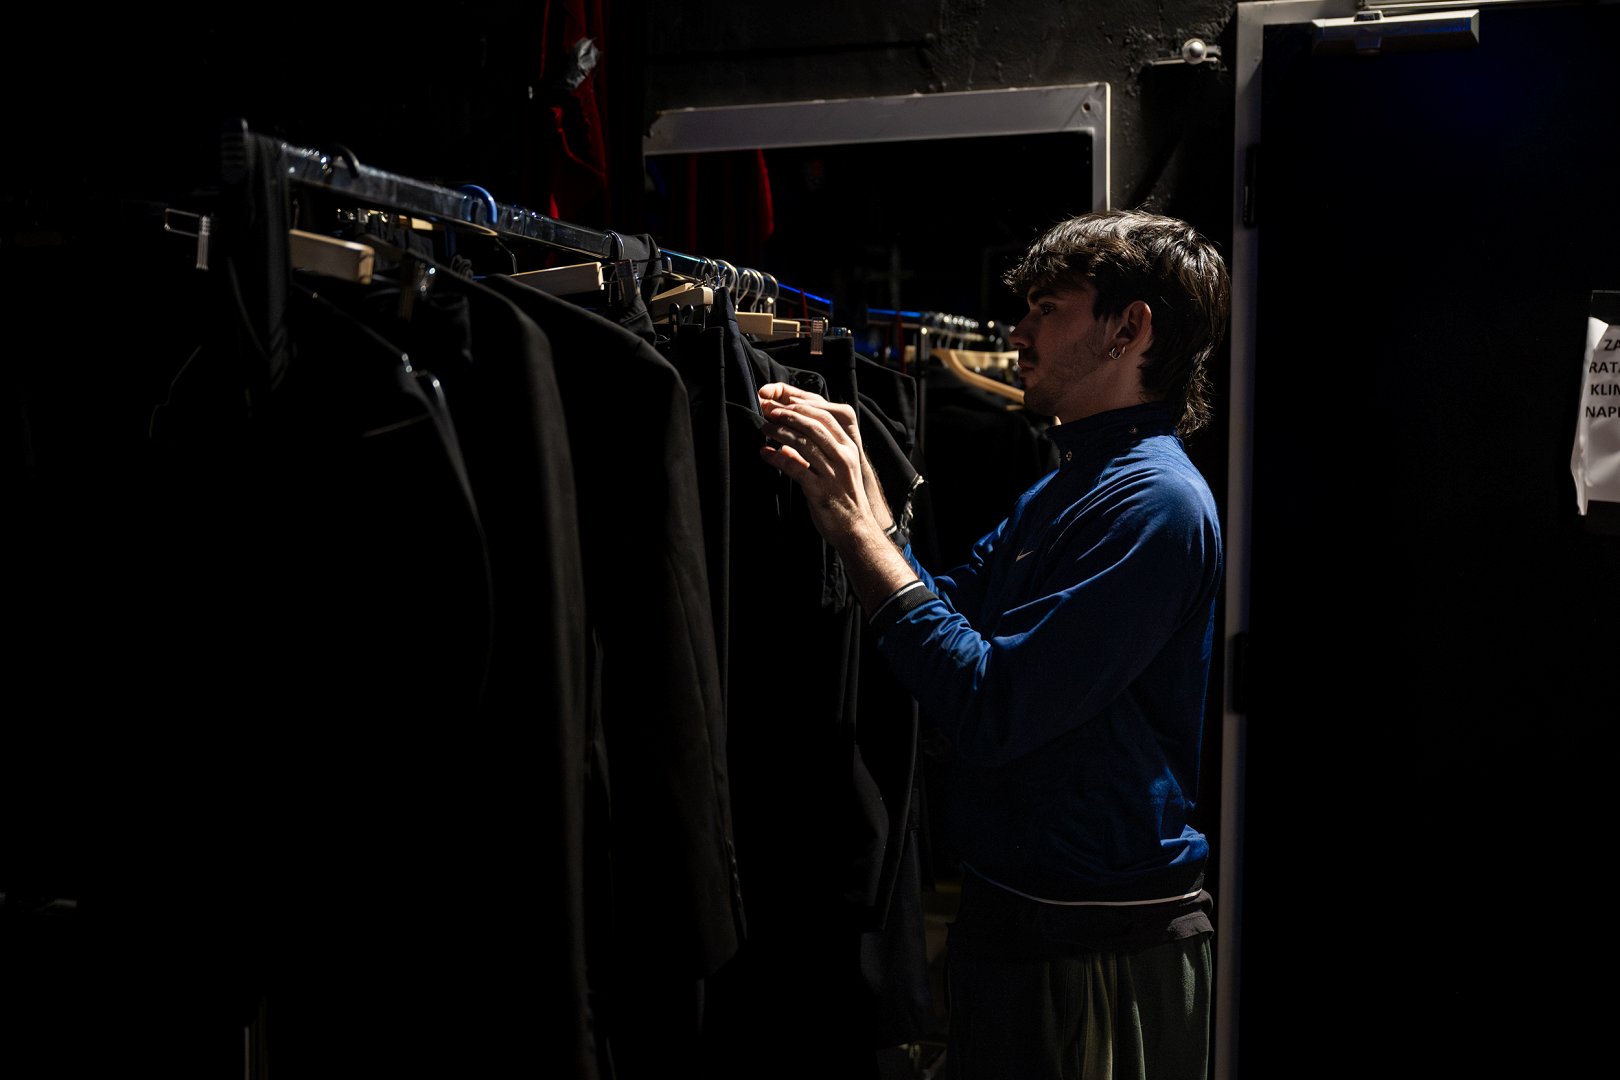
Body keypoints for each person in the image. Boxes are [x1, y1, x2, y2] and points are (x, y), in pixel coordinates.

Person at [755, 209, 1229, 1080]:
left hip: (1094, 942)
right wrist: (869, 507)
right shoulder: (1067, 485)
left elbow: (989, 706)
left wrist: (860, 530)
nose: (1018, 332)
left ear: (1129, 329)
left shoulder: (1156, 503)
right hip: (1020, 919)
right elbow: (945, 618)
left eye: (1048, 308)